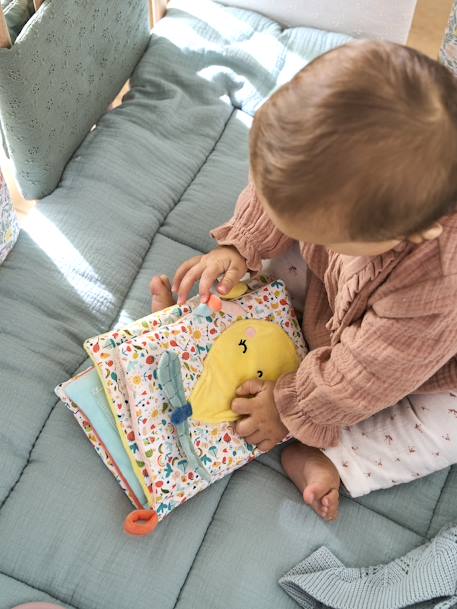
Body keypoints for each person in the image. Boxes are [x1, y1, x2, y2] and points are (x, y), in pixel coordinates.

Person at [151, 40, 457, 521]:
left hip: (419, 364)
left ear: (408, 234)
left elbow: (368, 375)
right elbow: (283, 186)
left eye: (323, 231)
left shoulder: (435, 283)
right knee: (286, 229)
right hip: (344, 297)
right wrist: (241, 245)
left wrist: (293, 406)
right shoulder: (343, 174)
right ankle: (218, 320)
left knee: (442, 429)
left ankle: (336, 457)